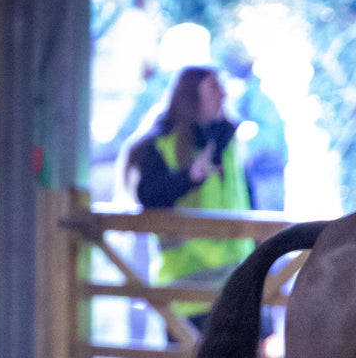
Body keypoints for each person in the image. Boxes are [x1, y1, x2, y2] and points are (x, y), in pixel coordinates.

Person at [123, 65, 256, 336]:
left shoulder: (226, 144)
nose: (223, 94)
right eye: (213, 87)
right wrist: (190, 177)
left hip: (235, 287)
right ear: (190, 96)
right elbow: (148, 194)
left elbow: (247, 202)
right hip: (188, 292)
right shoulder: (159, 146)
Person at [223, 45, 289, 213]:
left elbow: (268, 141)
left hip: (266, 179)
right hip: (254, 180)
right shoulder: (243, 95)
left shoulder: (258, 98)